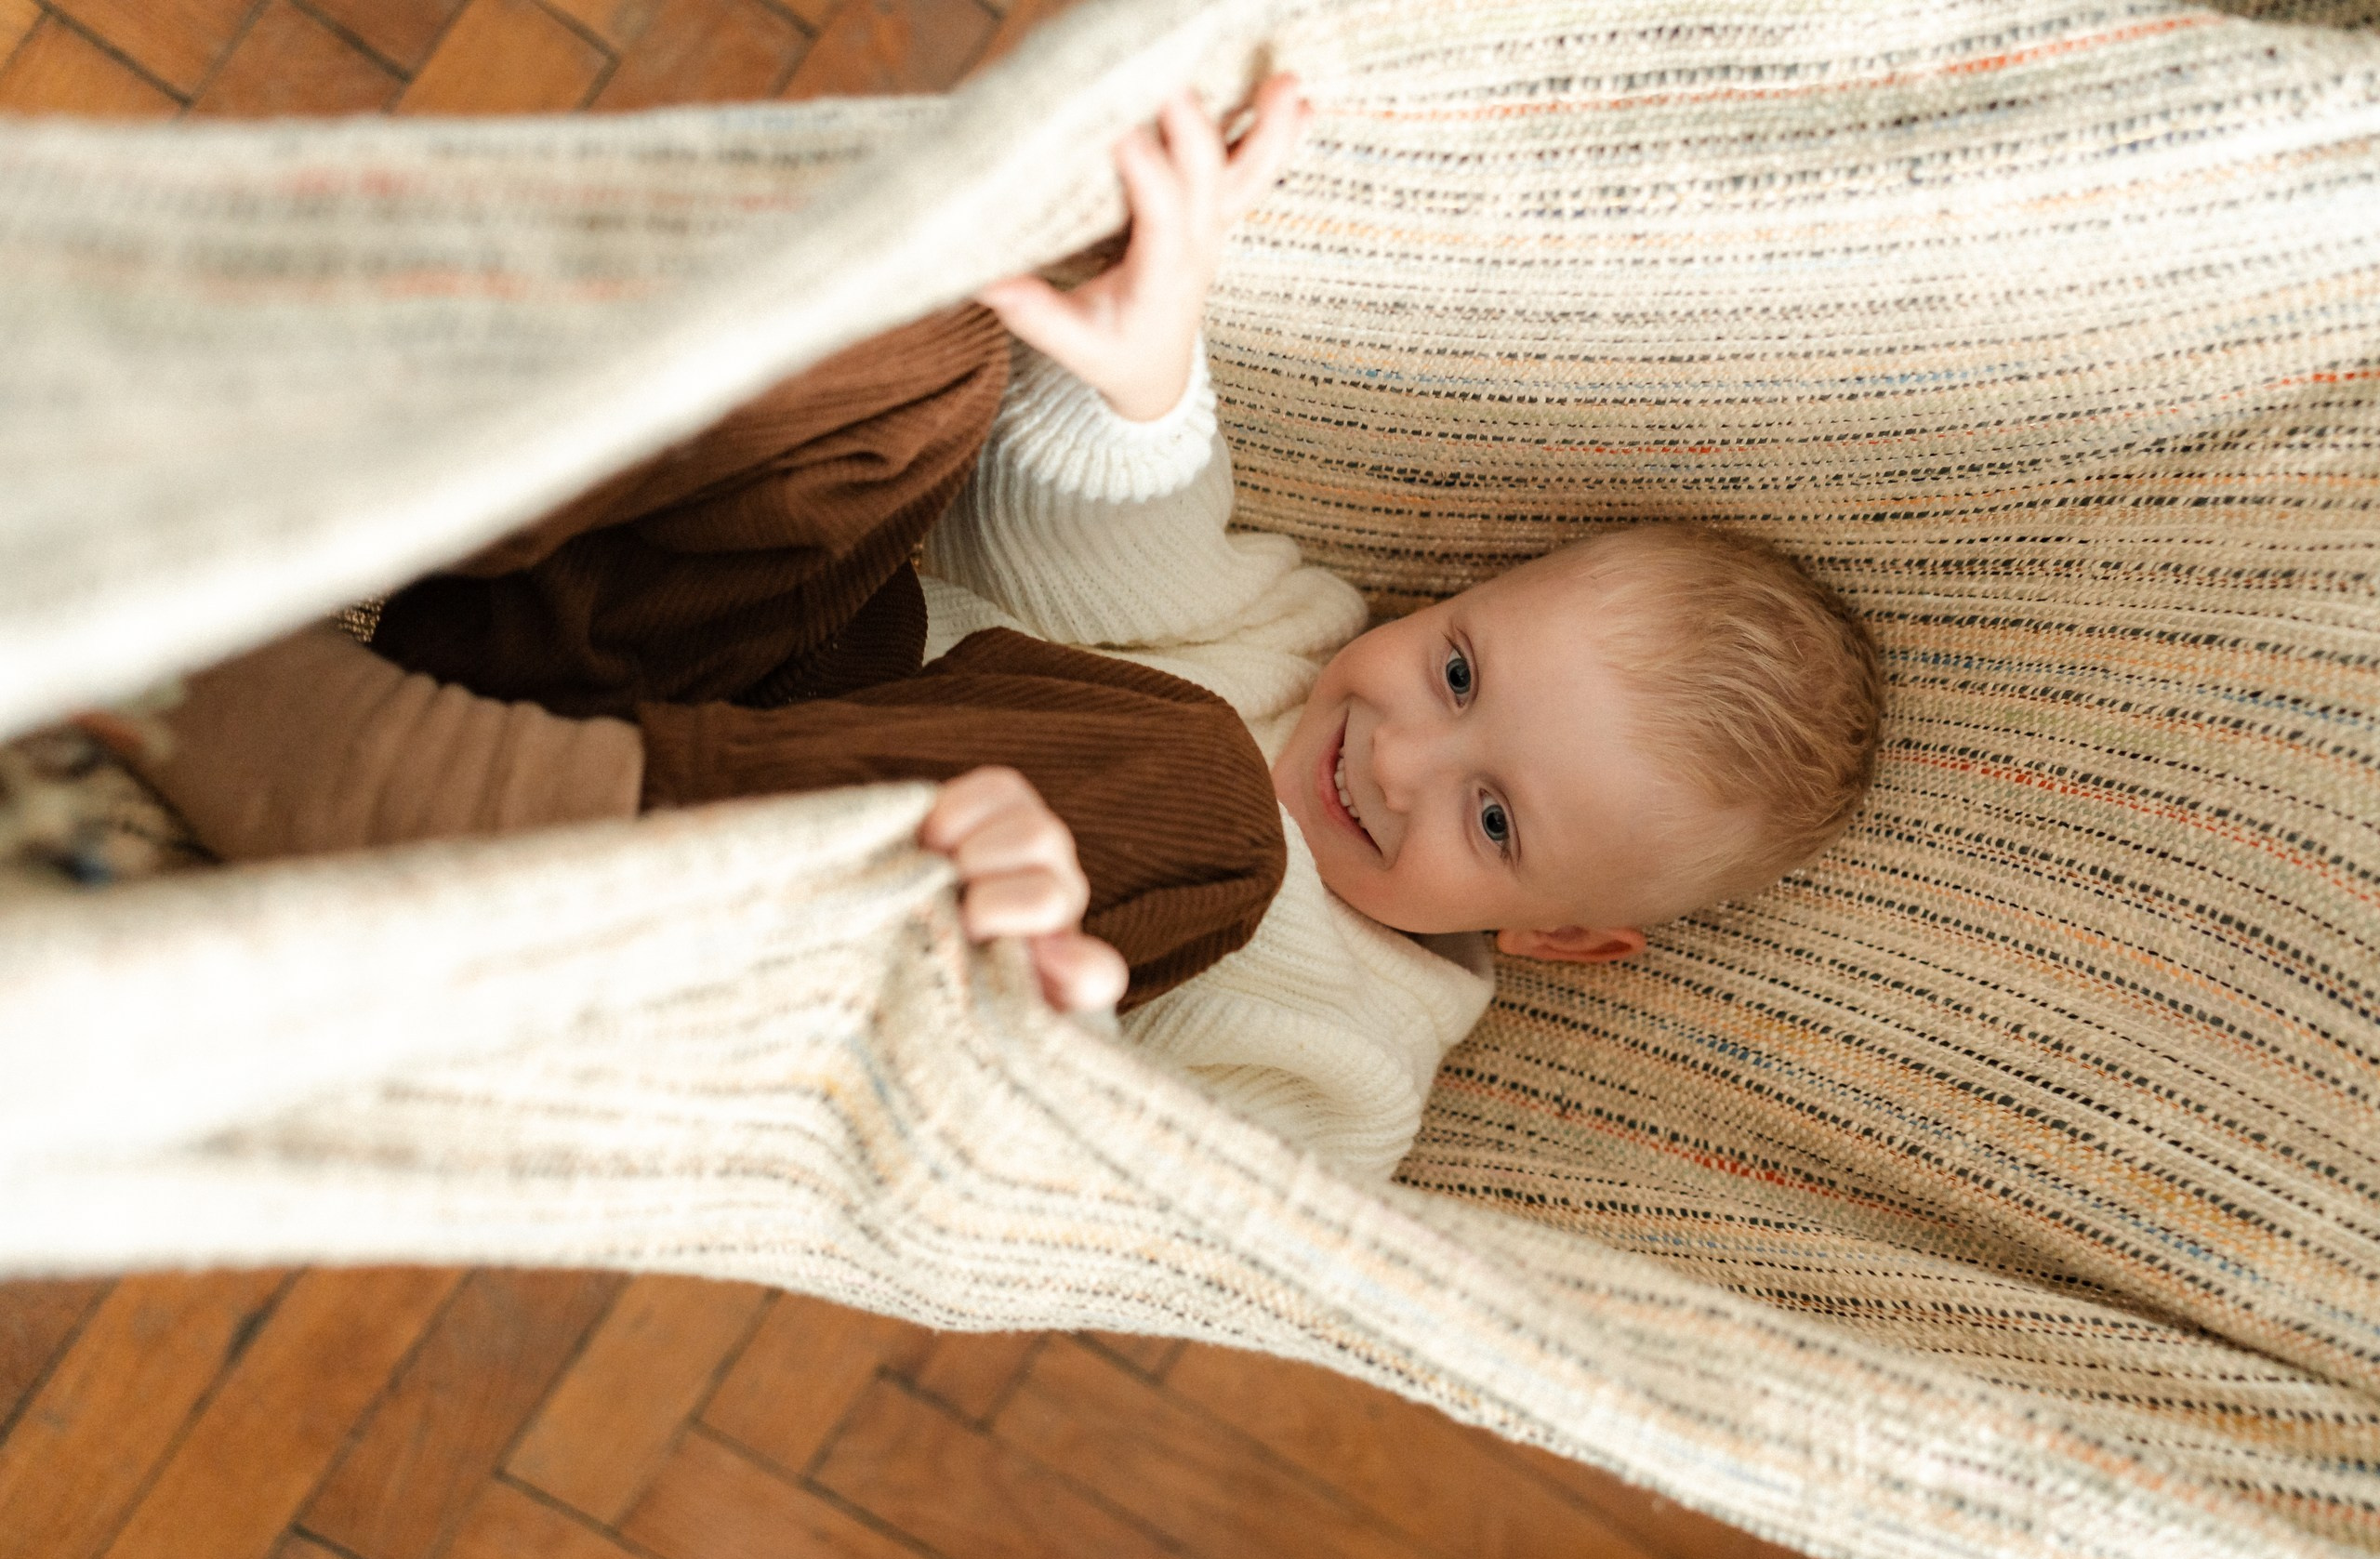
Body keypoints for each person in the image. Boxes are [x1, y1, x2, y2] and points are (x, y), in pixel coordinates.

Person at [132, 74, 1883, 1180]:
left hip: (674, 923)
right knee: (945, 367)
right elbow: (1106, 542)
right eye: (1456, 671)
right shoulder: (1285, 633)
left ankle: (364, 778)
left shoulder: (1351, 1058)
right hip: (603, 657)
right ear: (1447, 606)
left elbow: (1145, 1205)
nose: (1398, 758)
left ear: (1563, 939)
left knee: (1197, 804)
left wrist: (1060, 1019)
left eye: (1494, 820)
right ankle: (361, 480)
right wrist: (1148, 368)